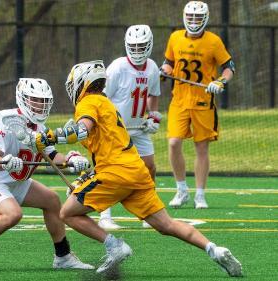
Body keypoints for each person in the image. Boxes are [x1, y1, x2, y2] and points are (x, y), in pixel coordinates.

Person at [37, 60, 242, 277]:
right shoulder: (105, 103)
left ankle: (114, 245)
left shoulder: (88, 102)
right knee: (166, 225)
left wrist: (48, 136)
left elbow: (81, 131)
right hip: (136, 171)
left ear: (81, 83)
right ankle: (214, 249)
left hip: (116, 172)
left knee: (67, 213)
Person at [0, 78, 94, 271]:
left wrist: (71, 160)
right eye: (34, 100)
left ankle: (63, 257)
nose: (39, 105)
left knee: (52, 200)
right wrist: (6, 162)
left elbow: (53, 156)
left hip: (16, 182)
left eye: (43, 101)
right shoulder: (5, 119)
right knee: (13, 214)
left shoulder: (41, 129)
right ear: (22, 98)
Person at [162, 1, 235, 209]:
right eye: (191, 17)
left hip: (203, 101)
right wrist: (165, 70)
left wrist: (221, 81)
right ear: (185, 17)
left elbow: (229, 67)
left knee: (201, 148)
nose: (194, 21)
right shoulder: (175, 37)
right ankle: (182, 189)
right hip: (179, 100)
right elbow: (168, 62)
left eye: (198, 17)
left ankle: (200, 194)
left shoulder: (213, 41)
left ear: (205, 18)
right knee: (174, 142)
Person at [99, 24, 161, 230]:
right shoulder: (117, 67)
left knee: (149, 166)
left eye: (141, 46)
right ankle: (105, 215)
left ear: (149, 44)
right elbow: (102, 98)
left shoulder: (152, 67)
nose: (137, 50)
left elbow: (153, 94)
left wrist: (153, 117)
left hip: (138, 127)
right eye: (133, 46)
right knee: (110, 170)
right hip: (116, 128)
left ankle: (148, 211)